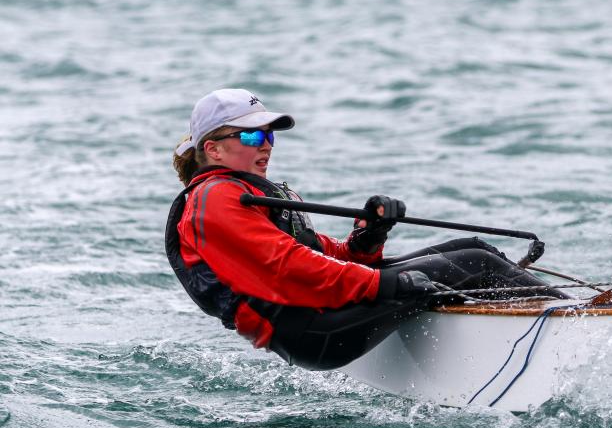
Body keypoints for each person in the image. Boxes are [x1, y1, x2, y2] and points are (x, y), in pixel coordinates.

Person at [166, 88, 565, 370]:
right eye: (252, 135)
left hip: (320, 309)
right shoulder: (215, 199)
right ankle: (577, 325)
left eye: (269, 135)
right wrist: (388, 285)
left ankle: (548, 322)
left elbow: (321, 254)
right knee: (472, 262)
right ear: (213, 149)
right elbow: (290, 268)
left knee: (473, 248)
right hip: (308, 330)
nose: (266, 145)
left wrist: (368, 236)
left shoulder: (243, 192)